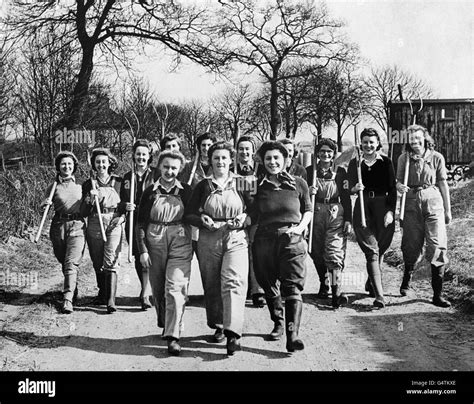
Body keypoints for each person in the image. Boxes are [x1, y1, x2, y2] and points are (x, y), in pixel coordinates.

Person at [184, 141, 251, 356]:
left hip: (235, 236)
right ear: (209, 161)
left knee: (234, 281)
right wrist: (202, 219)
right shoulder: (203, 186)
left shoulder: (244, 183)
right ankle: (219, 325)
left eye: (224, 158)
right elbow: (189, 214)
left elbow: (257, 210)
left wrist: (244, 217)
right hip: (209, 237)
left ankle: (233, 333)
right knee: (212, 282)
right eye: (216, 158)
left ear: (231, 160)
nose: (220, 162)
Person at [249, 140, 312, 352]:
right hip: (264, 240)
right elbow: (250, 213)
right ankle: (278, 322)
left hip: (291, 240)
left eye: (277, 158)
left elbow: (308, 210)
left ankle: (292, 334)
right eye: (268, 158)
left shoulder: (299, 183)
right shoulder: (257, 185)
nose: (273, 162)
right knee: (268, 284)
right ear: (262, 161)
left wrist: (300, 228)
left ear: (286, 160)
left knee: (292, 286)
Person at [136, 150, 193, 356]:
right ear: (159, 166)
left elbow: (194, 215)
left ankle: (173, 335)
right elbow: (140, 223)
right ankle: (165, 319)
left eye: (174, 168)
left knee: (175, 287)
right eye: (166, 167)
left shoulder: (187, 190)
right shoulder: (149, 192)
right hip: (155, 241)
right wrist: (142, 250)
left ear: (180, 169)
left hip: (180, 238)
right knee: (159, 288)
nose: (170, 171)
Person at [396, 125, 452, 307]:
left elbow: (443, 184)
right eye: (411, 139)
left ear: (425, 138)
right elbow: (397, 181)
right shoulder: (403, 158)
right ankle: (407, 278)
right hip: (411, 203)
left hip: (433, 202)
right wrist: (399, 187)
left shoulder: (436, 158)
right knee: (411, 245)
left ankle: (437, 294)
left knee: (437, 246)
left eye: (418, 138)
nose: (415, 142)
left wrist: (448, 210)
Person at [347, 128, 396, 308]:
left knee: (380, 248)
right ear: (361, 143)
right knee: (371, 250)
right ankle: (380, 296)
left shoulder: (386, 162)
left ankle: (371, 281)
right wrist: (354, 188)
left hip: (383, 206)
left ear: (377, 144)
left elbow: (392, 189)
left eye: (372, 142)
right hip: (363, 206)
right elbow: (349, 187)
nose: (368, 145)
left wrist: (391, 212)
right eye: (365, 142)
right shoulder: (355, 164)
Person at [306, 138, 352, 308]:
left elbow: (346, 197)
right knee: (316, 251)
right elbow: (301, 195)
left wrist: (348, 219)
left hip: (335, 212)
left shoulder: (340, 172)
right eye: (322, 151)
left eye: (329, 152)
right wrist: (308, 191)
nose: (326, 155)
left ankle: (336, 292)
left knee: (334, 253)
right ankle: (324, 282)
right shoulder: (309, 172)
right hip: (315, 212)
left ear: (334, 154)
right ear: (317, 154)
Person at [81, 148, 125, 314]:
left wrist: (123, 215)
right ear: (94, 164)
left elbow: (126, 205)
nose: (101, 165)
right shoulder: (88, 184)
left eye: (104, 161)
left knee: (111, 260)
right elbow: (83, 212)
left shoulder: (119, 182)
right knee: (98, 261)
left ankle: (111, 300)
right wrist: (89, 199)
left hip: (114, 221)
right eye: (98, 162)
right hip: (95, 223)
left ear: (109, 163)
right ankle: (102, 292)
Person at [42, 151, 85, 314]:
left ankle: (67, 299)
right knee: (63, 259)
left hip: (77, 225)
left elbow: (90, 205)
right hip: (58, 226)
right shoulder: (53, 186)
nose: (66, 167)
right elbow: (44, 206)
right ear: (58, 167)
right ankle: (73, 288)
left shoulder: (82, 184)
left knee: (70, 262)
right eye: (63, 164)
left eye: (69, 164)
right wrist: (44, 203)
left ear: (74, 166)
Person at [120, 139, 159, 310]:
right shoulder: (128, 177)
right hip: (134, 220)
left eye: (144, 154)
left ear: (149, 156)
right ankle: (145, 289)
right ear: (134, 156)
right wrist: (125, 206)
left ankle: (146, 292)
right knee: (138, 255)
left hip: (151, 220)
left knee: (150, 254)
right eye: (138, 154)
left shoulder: (156, 174)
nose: (141, 157)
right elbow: (120, 200)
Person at [234, 135, 266, 308]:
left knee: (255, 253)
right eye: (241, 149)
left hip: (255, 217)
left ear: (253, 151)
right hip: (236, 218)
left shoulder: (261, 170)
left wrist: (251, 216)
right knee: (238, 254)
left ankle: (257, 291)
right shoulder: (232, 169)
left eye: (247, 149)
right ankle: (240, 289)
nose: (244, 152)